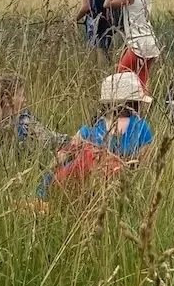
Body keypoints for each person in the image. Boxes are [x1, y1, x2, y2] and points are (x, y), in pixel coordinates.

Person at [32, 71, 155, 206]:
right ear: (135, 103)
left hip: (72, 193)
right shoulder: (141, 128)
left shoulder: (87, 131)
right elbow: (146, 168)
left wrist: (41, 189)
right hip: (114, 199)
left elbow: (58, 160)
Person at [0, 73, 69, 149]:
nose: (25, 99)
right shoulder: (23, 123)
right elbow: (53, 141)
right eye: (21, 95)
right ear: (7, 100)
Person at [106, 0, 159, 92]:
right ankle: (144, 107)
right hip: (150, 43)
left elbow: (107, 3)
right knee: (142, 79)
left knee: (121, 77)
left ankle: (124, 108)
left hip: (137, 44)